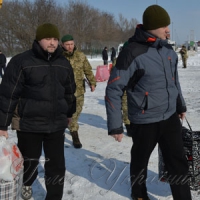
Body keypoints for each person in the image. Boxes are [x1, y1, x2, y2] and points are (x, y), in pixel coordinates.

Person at [105, 5, 192, 200]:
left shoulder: (168, 50)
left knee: (177, 162)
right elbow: (113, 88)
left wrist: (180, 105)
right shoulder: (132, 52)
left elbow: (174, 81)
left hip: (169, 117)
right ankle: (139, 194)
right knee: (140, 161)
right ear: (151, 27)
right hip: (144, 120)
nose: (167, 30)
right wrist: (115, 125)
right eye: (163, 26)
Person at [0, 23, 76, 200]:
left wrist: (69, 113)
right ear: (38, 40)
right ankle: (26, 182)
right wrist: (2, 124)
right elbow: (8, 93)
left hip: (56, 124)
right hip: (30, 124)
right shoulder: (22, 61)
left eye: (55, 39)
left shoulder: (63, 63)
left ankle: (54, 197)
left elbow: (70, 91)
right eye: (48, 39)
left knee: (56, 166)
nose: (52, 43)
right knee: (29, 162)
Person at [61, 34, 96, 148]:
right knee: (61, 113)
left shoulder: (80, 56)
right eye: (67, 45)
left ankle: (74, 132)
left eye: (71, 44)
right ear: (62, 45)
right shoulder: (58, 57)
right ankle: (60, 131)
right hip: (62, 92)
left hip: (78, 91)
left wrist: (92, 82)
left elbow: (88, 70)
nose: (70, 47)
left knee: (76, 113)